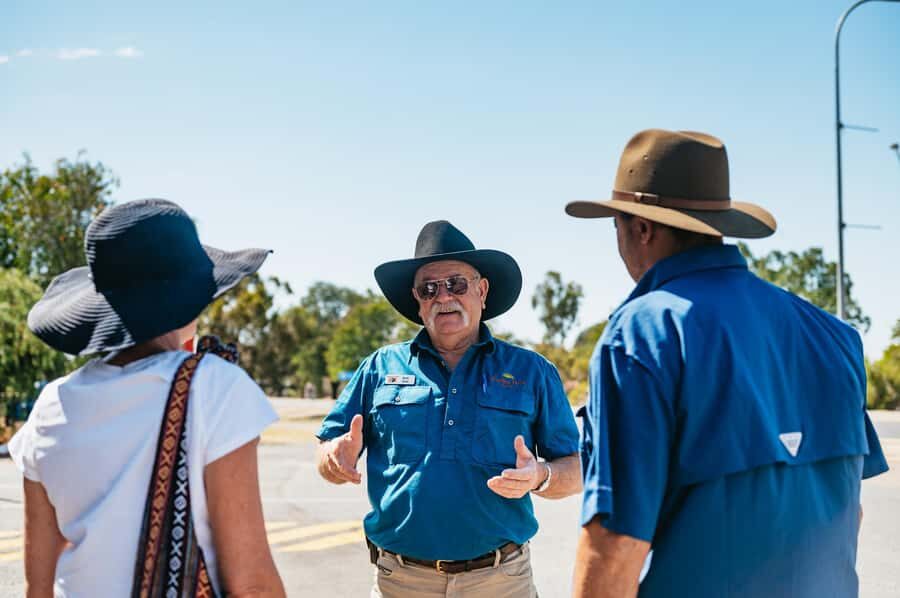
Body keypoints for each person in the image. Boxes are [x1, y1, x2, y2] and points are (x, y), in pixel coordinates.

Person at [565, 129, 889, 598]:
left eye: (616, 224)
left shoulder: (645, 332)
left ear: (641, 228)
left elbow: (615, 547)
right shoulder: (834, 336)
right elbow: (847, 511)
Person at [8, 199, 286, 597]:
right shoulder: (213, 388)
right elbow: (252, 584)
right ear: (187, 299)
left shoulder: (52, 403)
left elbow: (39, 587)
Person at [316, 220, 582, 597]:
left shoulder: (532, 371)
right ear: (417, 300)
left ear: (482, 290)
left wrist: (540, 475)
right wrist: (331, 458)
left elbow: (576, 468)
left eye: (456, 284)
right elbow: (328, 448)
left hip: (500, 581)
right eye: (429, 288)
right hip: (400, 582)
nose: (443, 297)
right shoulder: (379, 367)